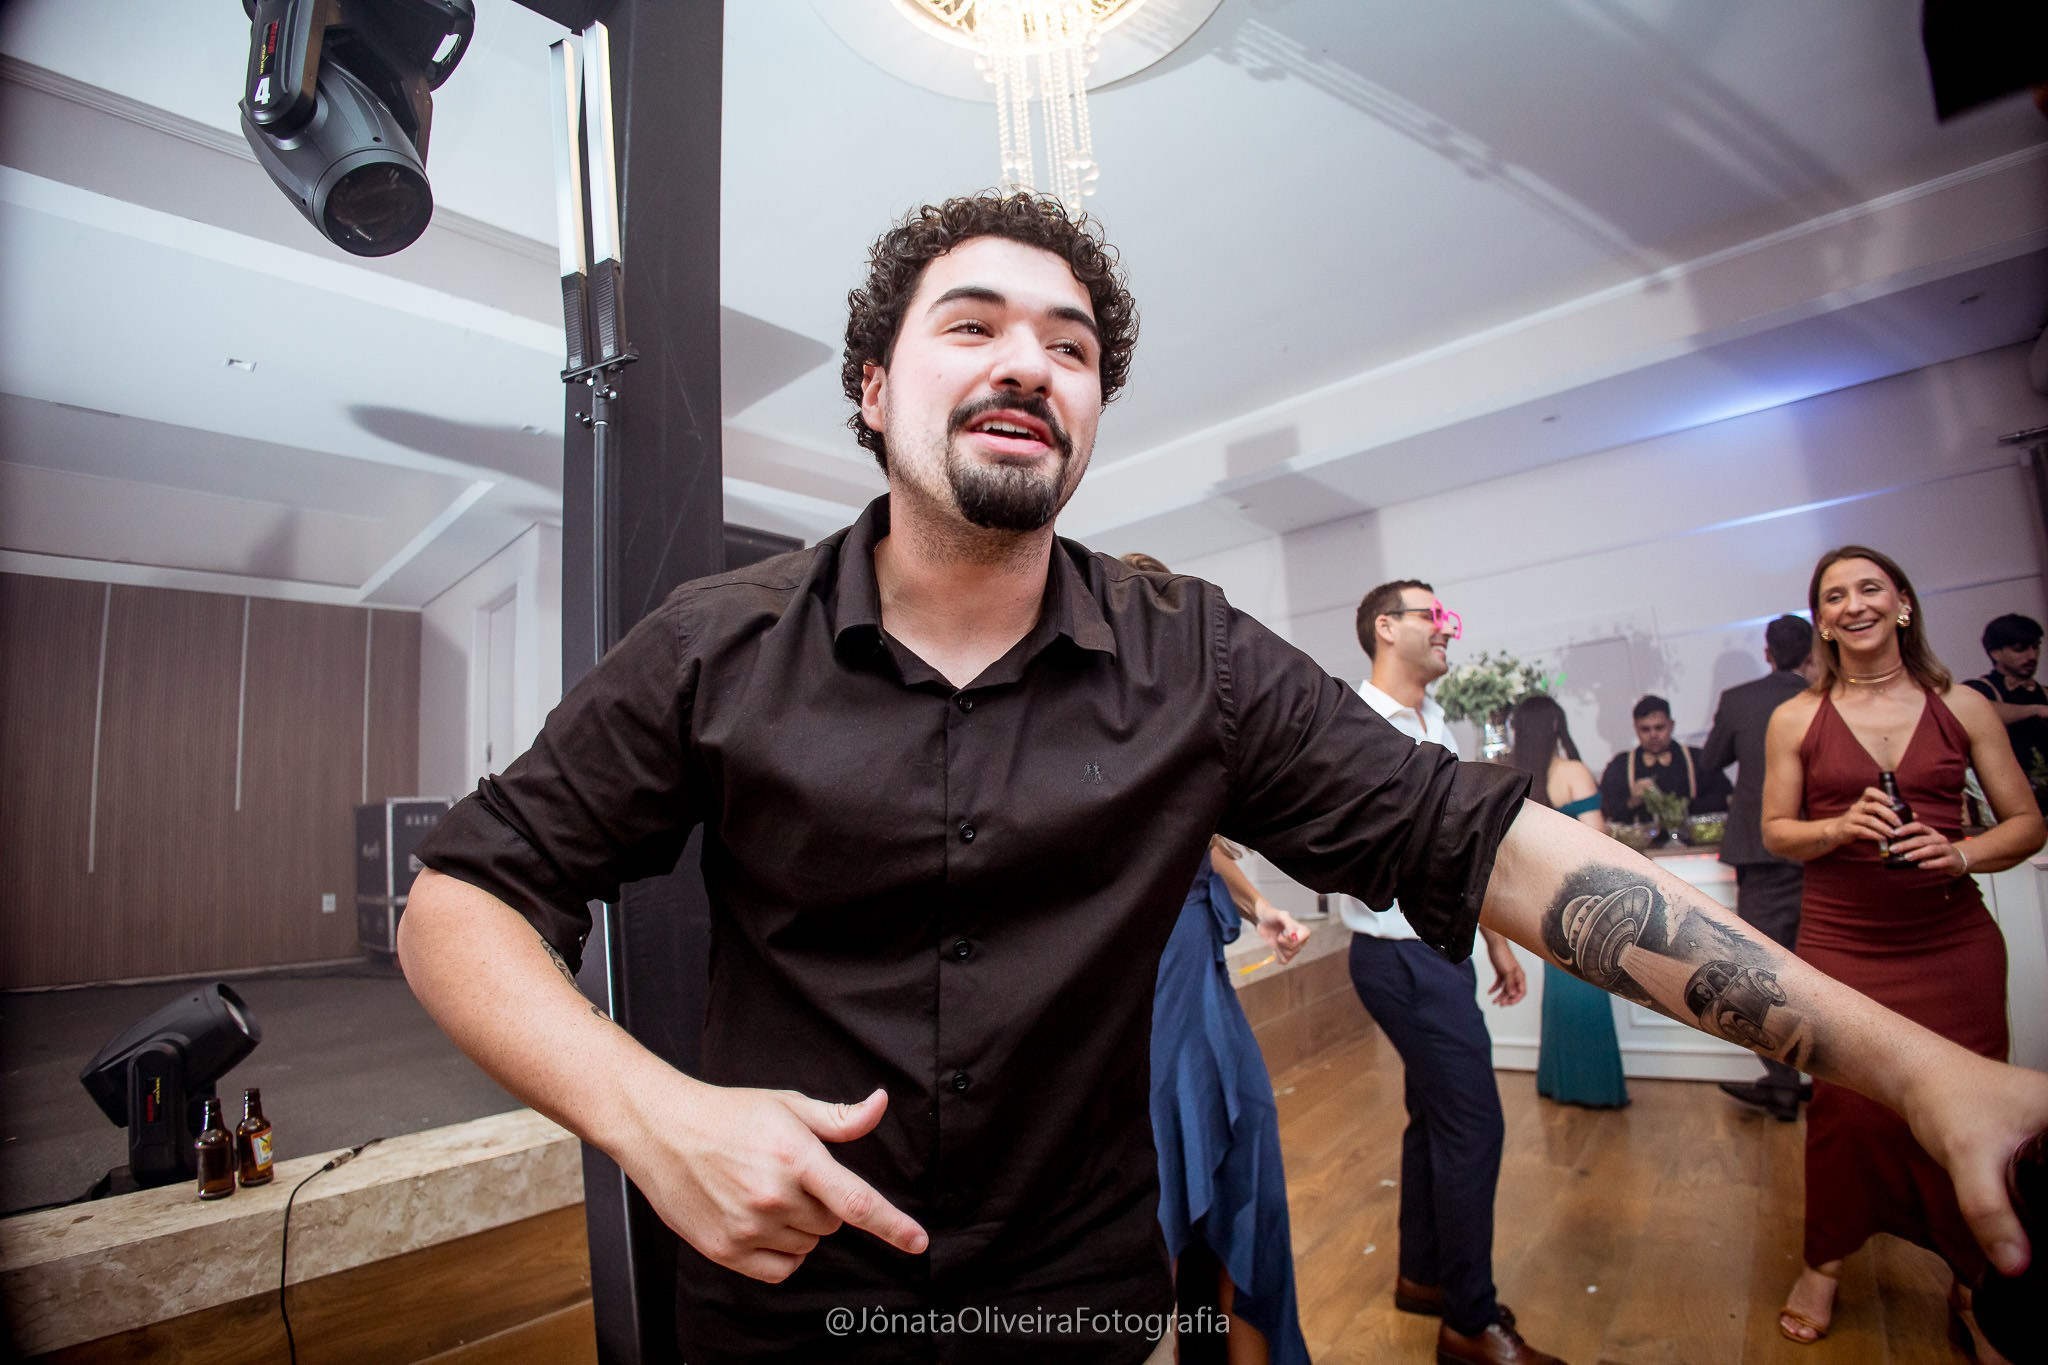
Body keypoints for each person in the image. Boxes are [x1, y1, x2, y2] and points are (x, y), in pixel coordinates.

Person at [396, 193, 2048, 1365]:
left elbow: (1489, 847)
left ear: (1093, 410)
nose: (1024, 361)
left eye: (1068, 345)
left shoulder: (1186, 652)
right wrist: (644, 1112)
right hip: (777, 1303)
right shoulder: (713, 644)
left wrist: (1911, 1069)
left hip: (1089, 1298)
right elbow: (463, 893)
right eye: (967, 325)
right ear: (873, 390)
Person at [1761, 545, 2047, 1351]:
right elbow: (1775, 832)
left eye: (1870, 588)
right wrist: (1837, 827)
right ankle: (1826, 1259)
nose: (1853, 604)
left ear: (1903, 604)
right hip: (1844, 946)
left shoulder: (1962, 703)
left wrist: (1962, 851)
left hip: (1952, 943)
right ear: (1821, 619)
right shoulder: (1797, 715)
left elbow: (2028, 822)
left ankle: (1975, 1276)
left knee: (1969, 1114)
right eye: (1834, 595)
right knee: (1846, 1112)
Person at [1337, 579, 1557, 1364]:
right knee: (1475, 1122)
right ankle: (1470, 1320)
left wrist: (1493, 939)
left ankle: (1423, 1276)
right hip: (1397, 954)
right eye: (1432, 614)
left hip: (1441, 948)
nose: (1447, 628)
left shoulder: (1438, 722)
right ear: (1386, 628)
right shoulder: (1355, 724)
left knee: (1434, 1114)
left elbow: (1462, 848)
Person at [1123, 551, 1312, 1365]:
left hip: (1204, 985)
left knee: (1243, 1179)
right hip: (1145, 998)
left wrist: (1262, 905)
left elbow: (1206, 844)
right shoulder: (1090, 735)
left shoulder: (1187, 724)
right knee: (1160, 1194)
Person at [1701, 615, 1819, 1121]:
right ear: (1810, 652)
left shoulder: (1739, 699)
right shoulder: (1825, 695)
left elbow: (1709, 763)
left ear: (1768, 652)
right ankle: (1836, 1082)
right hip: (1823, 848)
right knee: (1826, 974)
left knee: (1762, 975)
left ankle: (1783, 1083)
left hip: (1761, 852)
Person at [1504, 694, 1627, 1110]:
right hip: (1584, 895)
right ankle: (1593, 1087)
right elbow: (1598, 839)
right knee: (1589, 983)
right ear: (1557, 726)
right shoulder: (1571, 771)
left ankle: (1558, 1080)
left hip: (1540, 896)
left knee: (1560, 984)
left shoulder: (1509, 771)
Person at [1597, 695, 1731, 825]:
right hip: (1640, 847)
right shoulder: (1620, 765)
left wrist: (1682, 806)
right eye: (1645, 729)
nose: (1653, 735)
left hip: (1693, 844)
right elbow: (1605, 810)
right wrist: (1632, 802)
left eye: (1659, 728)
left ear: (1671, 725)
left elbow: (1726, 799)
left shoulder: (1698, 758)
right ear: (1636, 729)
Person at [1963, 613, 2048, 813]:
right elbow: (1982, 712)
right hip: (2007, 802)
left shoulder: (2044, 692)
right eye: (2020, 649)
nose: (2032, 656)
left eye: (2035, 647)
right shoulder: (1976, 690)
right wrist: (2036, 710)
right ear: (1995, 653)